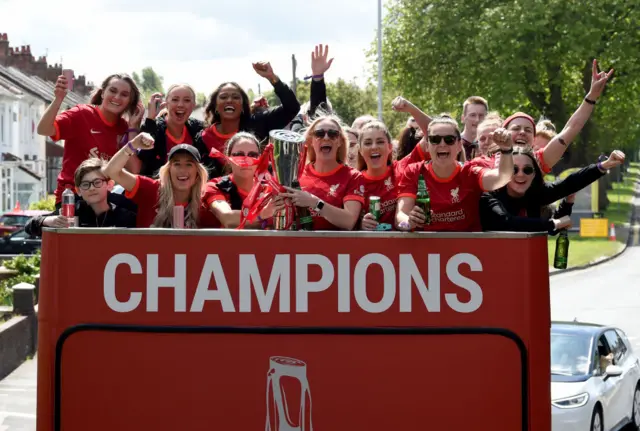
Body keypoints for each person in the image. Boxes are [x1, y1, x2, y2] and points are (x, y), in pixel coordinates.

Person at [36, 73, 143, 208]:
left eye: (124, 94)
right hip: (73, 197)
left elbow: (134, 170)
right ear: (103, 92)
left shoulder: (124, 128)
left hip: (102, 200)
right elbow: (43, 130)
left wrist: (133, 128)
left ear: (131, 101)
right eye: (113, 91)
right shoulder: (81, 114)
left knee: (134, 210)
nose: (117, 97)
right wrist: (58, 99)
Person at [395, 116, 514, 232]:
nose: (442, 144)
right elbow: (400, 216)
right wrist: (408, 223)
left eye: (449, 140)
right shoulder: (414, 171)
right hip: (426, 249)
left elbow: (502, 177)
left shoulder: (470, 172)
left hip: (467, 249)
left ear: (458, 145)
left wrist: (506, 150)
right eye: (435, 140)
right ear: (427, 145)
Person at [503, 59, 613, 174]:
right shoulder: (487, 163)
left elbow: (572, 127)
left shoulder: (539, 161)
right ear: (502, 132)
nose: (522, 132)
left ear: (533, 141)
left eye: (528, 130)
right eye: (516, 128)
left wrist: (592, 96)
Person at [479, 148, 625, 232]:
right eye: (513, 169)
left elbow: (569, 182)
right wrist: (553, 223)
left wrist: (605, 165)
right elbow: (507, 223)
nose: (520, 174)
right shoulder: (490, 196)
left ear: (535, 174)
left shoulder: (536, 193)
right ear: (503, 172)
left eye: (527, 170)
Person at [196, 61, 300, 176]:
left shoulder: (258, 123)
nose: (229, 100)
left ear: (243, 106)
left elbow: (292, 107)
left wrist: (272, 78)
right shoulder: (203, 137)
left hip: (259, 192)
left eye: (235, 97)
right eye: (223, 97)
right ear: (215, 106)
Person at [275, 115, 365, 230]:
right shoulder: (296, 173)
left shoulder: (353, 176)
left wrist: (314, 202)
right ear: (311, 141)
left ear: (340, 141)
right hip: (298, 246)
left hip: (336, 247)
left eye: (333, 134)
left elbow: (349, 221)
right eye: (319, 134)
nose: (326, 138)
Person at [103, 134, 208, 228]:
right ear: (169, 170)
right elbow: (112, 171)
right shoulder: (151, 189)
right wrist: (133, 145)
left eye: (189, 164)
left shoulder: (206, 201)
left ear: (198, 173)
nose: (182, 170)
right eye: (177, 164)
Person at [25, 158, 136, 236]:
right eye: (85, 184)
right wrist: (49, 221)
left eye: (97, 182)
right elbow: (29, 226)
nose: (91, 188)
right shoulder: (74, 211)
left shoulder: (124, 211)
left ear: (109, 185)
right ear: (78, 191)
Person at [202, 132, 275, 228]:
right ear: (228, 158)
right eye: (239, 154)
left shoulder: (268, 191)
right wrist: (262, 215)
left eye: (252, 155)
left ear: (260, 159)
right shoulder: (216, 186)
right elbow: (228, 218)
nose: (246, 159)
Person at [137, 84, 203, 176]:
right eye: (175, 100)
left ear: (193, 105)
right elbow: (142, 161)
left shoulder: (198, 129)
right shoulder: (153, 127)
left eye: (187, 100)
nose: (180, 105)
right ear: (166, 104)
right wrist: (150, 120)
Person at [357, 121, 400, 231]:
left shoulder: (401, 169)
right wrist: (359, 225)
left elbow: (431, 136)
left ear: (390, 147)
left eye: (380, 142)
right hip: (369, 246)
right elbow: (346, 222)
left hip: (402, 246)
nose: (374, 147)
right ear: (360, 150)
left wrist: (410, 109)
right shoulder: (354, 180)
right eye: (367, 143)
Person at [459, 96, 488, 160]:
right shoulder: (455, 144)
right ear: (463, 118)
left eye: (481, 115)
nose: (477, 120)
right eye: (472, 115)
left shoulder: (491, 145)